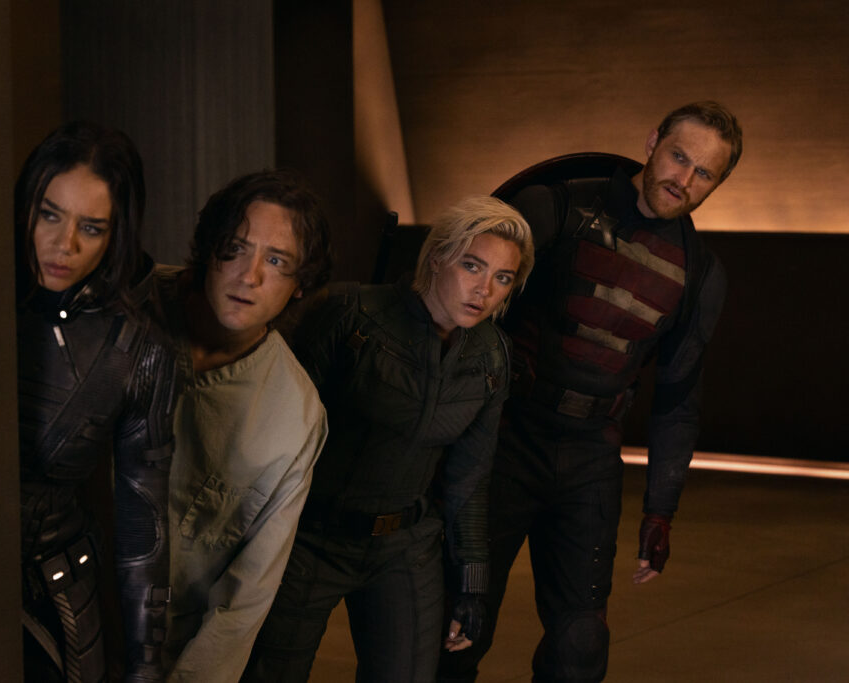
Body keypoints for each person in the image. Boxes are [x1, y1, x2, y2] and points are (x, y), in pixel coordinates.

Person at [438, 101, 742, 683]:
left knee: (579, 646)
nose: (683, 179)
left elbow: (678, 396)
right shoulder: (555, 206)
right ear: (652, 142)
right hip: (503, 442)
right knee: (456, 627)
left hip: (590, 461)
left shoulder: (699, 274)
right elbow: (456, 314)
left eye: (704, 173)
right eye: (679, 157)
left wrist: (661, 509)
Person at [242, 196, 536, 683]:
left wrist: (471, 584)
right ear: (437, 257)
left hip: (405, 545)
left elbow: (469, 479)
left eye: (503, 278)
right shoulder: (350, 314)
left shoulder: (491, 355)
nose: (484, 290)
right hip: (310, 539)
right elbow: (267, 433)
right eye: (472, 266)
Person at [16, 122, 179, 681]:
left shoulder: (138, 349)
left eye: (91, 227)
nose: (65, 245)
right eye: (49, 215)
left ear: (117, 234)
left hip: (53, 591)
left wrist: (146, 667)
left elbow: (143, 524)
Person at [157, 169, 331, 683]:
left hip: (164, 648)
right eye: (235, 249)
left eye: (276, 261)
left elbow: (246, 595)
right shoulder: (126, 306)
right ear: (208, 248)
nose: (249, 276)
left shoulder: (295, 416)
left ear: (300, 286)